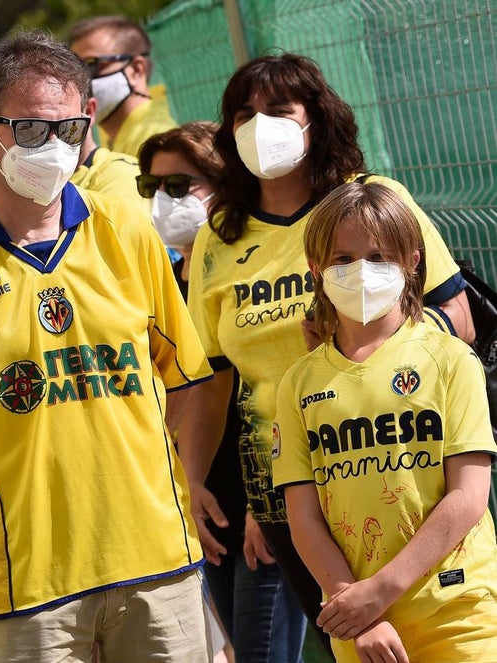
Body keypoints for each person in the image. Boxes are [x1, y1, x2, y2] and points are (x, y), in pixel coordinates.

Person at [0, 30, 213, 661]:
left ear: (88, 118)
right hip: (27, 585)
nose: (54, 148)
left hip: (157, 562)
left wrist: (177, 486)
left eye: (69, 130)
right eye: (33, 130)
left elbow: (186, 378)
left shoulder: (127, 230)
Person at [182, 53, 475, 656]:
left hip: (404, 462)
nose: (260, 125)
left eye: (278, 110)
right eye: (244, 113)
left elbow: (460, 322)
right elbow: (214, 379)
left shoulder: (369, 202)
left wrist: (365, 354)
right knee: (349, 643)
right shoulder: (218, 236)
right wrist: (189, 477)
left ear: (316, 118)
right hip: (291, 491)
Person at [273, 181, 497, 662]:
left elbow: (468, 497)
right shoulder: (297, 383)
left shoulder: (450, 360)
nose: (361, 272)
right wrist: (359, 610)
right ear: (316, 269)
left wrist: (380, 592)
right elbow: (304, 517)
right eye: (342, 260)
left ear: (413, 261)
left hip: (459, 615)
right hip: (359, 626)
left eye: (378, 257)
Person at [139, 122, 307, 662]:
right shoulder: (162, 280)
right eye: (153, 187)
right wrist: (186, 487)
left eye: (179, 185)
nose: (164, 201)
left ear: (223, 180)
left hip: (273, 497)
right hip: (210, 507)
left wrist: (270, 502)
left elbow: (275, 384)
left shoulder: (258, 269)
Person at [68, 16, 177, 158]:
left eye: (90, 65)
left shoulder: (157, 142)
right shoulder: (124, 138)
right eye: (74, 69)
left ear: (136, 70)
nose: (81, 79)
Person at [69, 83, 149, 217]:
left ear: (89, 111)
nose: (52, 137)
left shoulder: (120, 174)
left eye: (65, 122)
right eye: (29, 124)